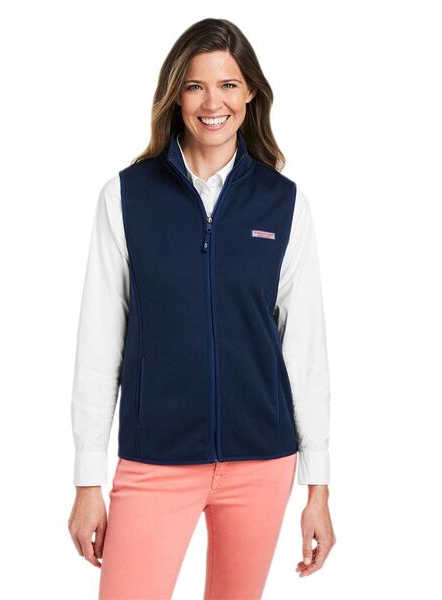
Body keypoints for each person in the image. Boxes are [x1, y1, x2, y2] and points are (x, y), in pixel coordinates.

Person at [68, 17, 336, 600]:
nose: (213, 103)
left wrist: (317, 484)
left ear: (251, 93)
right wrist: (88, 479)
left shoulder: (283, 204)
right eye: (196, 86)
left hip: (262, 462)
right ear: (176, 95)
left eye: (228, 85)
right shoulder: (126, 198)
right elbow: (99, 344)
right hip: (156, 461)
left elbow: (305, 348)